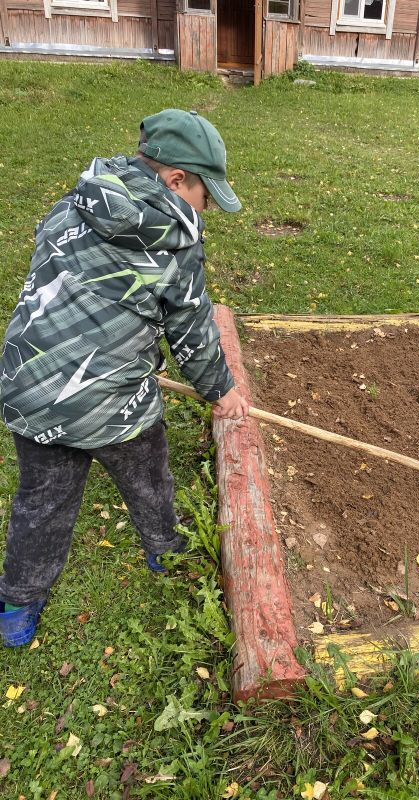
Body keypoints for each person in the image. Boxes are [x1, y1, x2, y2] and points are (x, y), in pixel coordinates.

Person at [0, 109, 249, 647]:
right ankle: (165, 547)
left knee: (42, 503)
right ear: (176, 180)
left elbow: (72, 291)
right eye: (205, 194)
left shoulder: (74, 204)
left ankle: (17, 605)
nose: (207, 207)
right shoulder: (174, 244)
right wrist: (222, 391)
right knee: (148, 477)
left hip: (30, 387)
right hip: (115, 404)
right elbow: (192, 332)